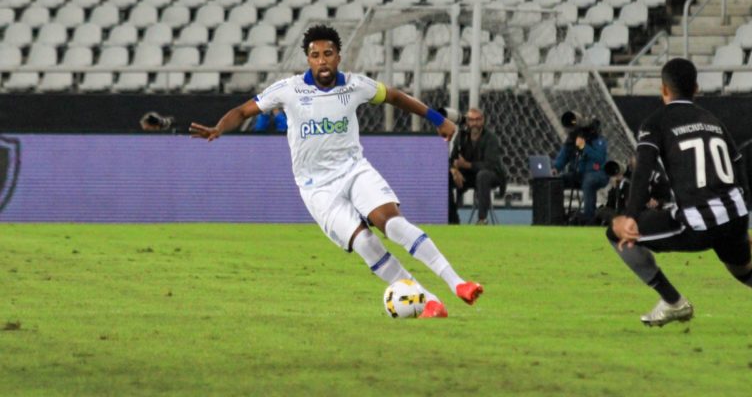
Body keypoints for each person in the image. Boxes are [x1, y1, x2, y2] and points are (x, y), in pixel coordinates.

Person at [189, 25, 483, 318]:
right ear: (308, 59)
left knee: (392, 224)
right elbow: (242, 111)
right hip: (317, 189)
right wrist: (218, 128)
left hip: (354, 171)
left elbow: (394, 96)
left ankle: (458, 283)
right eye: (315, 55)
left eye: (328, 54)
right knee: (366, 244)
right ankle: (428, 300)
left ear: (338, 57)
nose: (322, 60)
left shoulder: (355, 85)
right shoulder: (289, 90)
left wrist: (437, 119)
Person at [609, 57, 752, 327]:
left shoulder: (656, 122)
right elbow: (735, 172)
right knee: (748, 274)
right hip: (733, 217)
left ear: (664, 89)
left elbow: (643, 170)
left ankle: (673, 302)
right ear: (696, 88)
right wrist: (742, 228)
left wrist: (629, 215)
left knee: (616, 232)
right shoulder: (713, 121)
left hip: (699, 221)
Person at [448, 107, 507, 225]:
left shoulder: (491, 138)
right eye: (471, 120)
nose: (474, 123)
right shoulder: (462, 136)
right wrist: (454, 170)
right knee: (446, 178)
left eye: (477, 120)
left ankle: (482, 219)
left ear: (483, 120)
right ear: (467, 121)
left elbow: (490, 164)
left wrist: (467, 165)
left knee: (483, 175)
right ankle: (452, 219)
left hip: (492, 175)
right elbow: (452, 159)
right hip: (468, 175)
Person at [552, 123, 609, 224]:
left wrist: (584, 147)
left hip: (598, 173)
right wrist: (555, 168)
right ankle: (557, 216)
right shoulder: (571, 141)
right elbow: (563, 157)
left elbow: (600, 159)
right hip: (578, 174)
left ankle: (589, 219)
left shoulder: (598, 140)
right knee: (556, 182)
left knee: (589, 181)